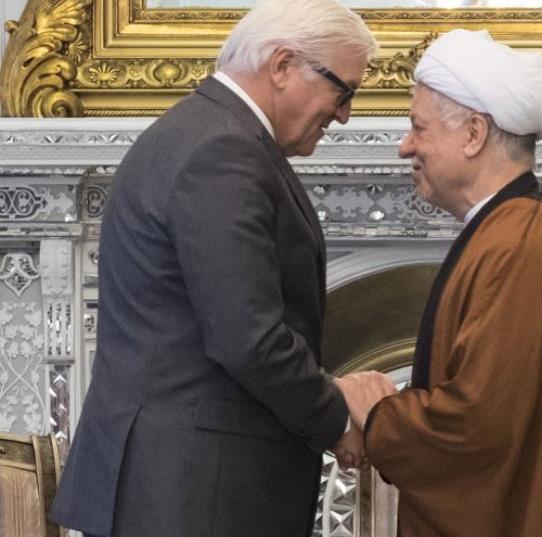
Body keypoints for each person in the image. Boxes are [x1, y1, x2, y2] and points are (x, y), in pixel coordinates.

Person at [48, 1, 396, 536]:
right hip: (192, 494)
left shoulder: (212, 133)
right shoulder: (223, 150)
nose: (344, 113)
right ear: (282, 66)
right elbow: (248, 338)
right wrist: (334, 417)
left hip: (186, 487)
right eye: (342, 91)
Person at [355, 29, 542, 537]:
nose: (405, 146)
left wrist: (375, 418)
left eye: (418, 128)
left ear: (474, 134)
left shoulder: (518, 246)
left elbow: (475, 430)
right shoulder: (518, 230)